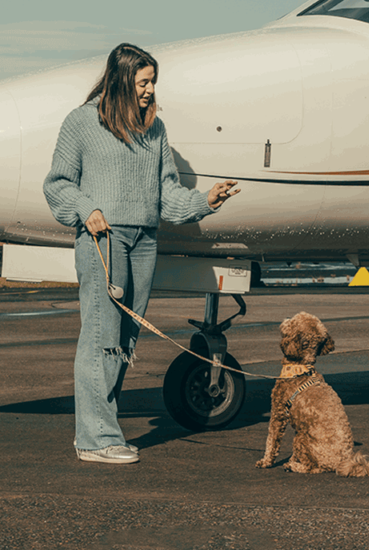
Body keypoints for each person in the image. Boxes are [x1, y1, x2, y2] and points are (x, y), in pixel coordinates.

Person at [43, 43, 239, 465]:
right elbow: (57, 184)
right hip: (105, 239)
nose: (150, 90)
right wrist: (86, 209)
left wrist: (206, 200)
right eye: (143, 81)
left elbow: (166, 195)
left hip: (145, 241)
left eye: (153, 82)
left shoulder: (155, 131)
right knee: (102, 338)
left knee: (124, 341)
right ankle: (96, 439)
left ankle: (101, 432)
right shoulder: (81, 122)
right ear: (121, 79)